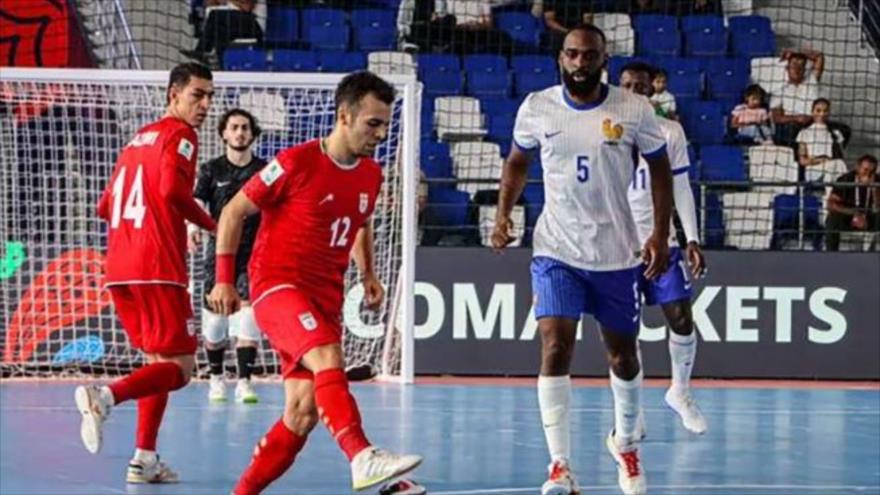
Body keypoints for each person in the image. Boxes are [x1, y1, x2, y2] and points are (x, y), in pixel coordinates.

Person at [207, 71, 422, 495]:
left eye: (385, 124)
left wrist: (369, 273)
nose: (381, 133)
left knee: (302, 412)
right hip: (278, 286)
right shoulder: (294, 162)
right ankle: (362, 456)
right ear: (344, 116)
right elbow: (232, 212)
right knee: (327, 357)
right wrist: (224, 282)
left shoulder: (371, 175)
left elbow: (359, 224)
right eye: (372, 123)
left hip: (326, 295)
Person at [491, 24, 674, 495]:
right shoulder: (537, 107)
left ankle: (626, 442)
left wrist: (658, 232)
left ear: (603, 58)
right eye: (571, 55)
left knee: (623, 354)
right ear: (560, 58)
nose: (579, 63)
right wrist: (503, 214)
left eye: (588, 55)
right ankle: (560, 466)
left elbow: (659, 167)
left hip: (617, 252)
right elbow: (516, 161)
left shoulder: (633, 108)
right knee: (555, 345)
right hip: (557, 249)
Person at [75, 63, 217, 483]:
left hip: (119, 266)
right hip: (157, 266)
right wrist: (212, 224)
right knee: (183, 368)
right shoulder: (181, 136)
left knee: (157, 361)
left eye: (210, 96)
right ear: (173, 94)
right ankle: (105, 395)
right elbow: (173, 191)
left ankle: (144, 459)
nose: (206, 104)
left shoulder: (136, 141)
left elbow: (104, 206)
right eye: (197, 95)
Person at [619, 61, 708, 437]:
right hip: (619, 246)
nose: (634, 91)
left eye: (641, 86)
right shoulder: (604, 130)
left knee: (682, 319)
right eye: (627, 85)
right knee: (624, 333)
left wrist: (691, 238)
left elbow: (682, 189)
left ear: (652, 92)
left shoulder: (670, 132)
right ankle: (632, 413)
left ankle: (680, 392)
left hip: (662, 242)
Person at [190, 108, 266, 404]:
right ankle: (216, 378)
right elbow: (196, 202)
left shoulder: (263, 169)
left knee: (249, 316)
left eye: (245, 127)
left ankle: (245, 381)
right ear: (224, 133)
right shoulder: (210, 170)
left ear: (252, 134)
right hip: (218, 254)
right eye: (234, 127)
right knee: (215, 323)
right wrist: (191, 228)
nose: (240, 132)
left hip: (253, 253)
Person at [770, 49, 824, 146]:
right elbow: (776, 117)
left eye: (801, 66)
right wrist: (796, 118)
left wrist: (796, 52)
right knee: (791, 128)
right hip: (791, 124)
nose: (797, 69)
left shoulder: (811, 81)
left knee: (843, 130)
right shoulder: (779, 89)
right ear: (787, 68)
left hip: (813, 122)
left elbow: (819, 56)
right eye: (794, 65)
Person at [825, 154, 879, 251]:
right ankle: (831, 253)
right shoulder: (845, 179)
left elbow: (877, 208)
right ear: (858, 167)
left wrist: (874, 188)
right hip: (848, 215)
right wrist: (853, 213)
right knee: (832, 219)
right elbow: (831, 204)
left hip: (870, 217)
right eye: (865, 170)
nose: (868, 174)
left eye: (872, 171)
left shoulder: (877, 181)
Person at [796, 98, 850, 182]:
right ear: (812, 111)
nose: (822, 114)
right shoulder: (804, 133)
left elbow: (841, 155)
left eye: (825, 111)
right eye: (818, 110)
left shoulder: (836, 133)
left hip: (833, 167)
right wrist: (821, 160)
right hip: (813, 170)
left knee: (838, 165)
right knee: (837, 165)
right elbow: (802, 161)